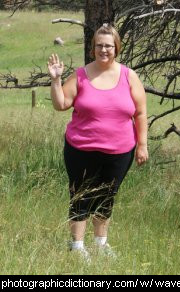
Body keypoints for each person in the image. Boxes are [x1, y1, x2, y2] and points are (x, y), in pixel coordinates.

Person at [47, 24, 148, 260]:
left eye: (109, 46)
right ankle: (77, 247)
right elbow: (61, 104)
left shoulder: (128, 76)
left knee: (107, 196)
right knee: (81, 195)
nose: (104, 50)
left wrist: (142, 145)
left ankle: (101, 245)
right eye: (99, 45)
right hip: (81, 149)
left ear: (116, 48)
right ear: (93, 48)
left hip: (120, 151)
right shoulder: (81, 75)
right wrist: (56, 80)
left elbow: (140, 113)